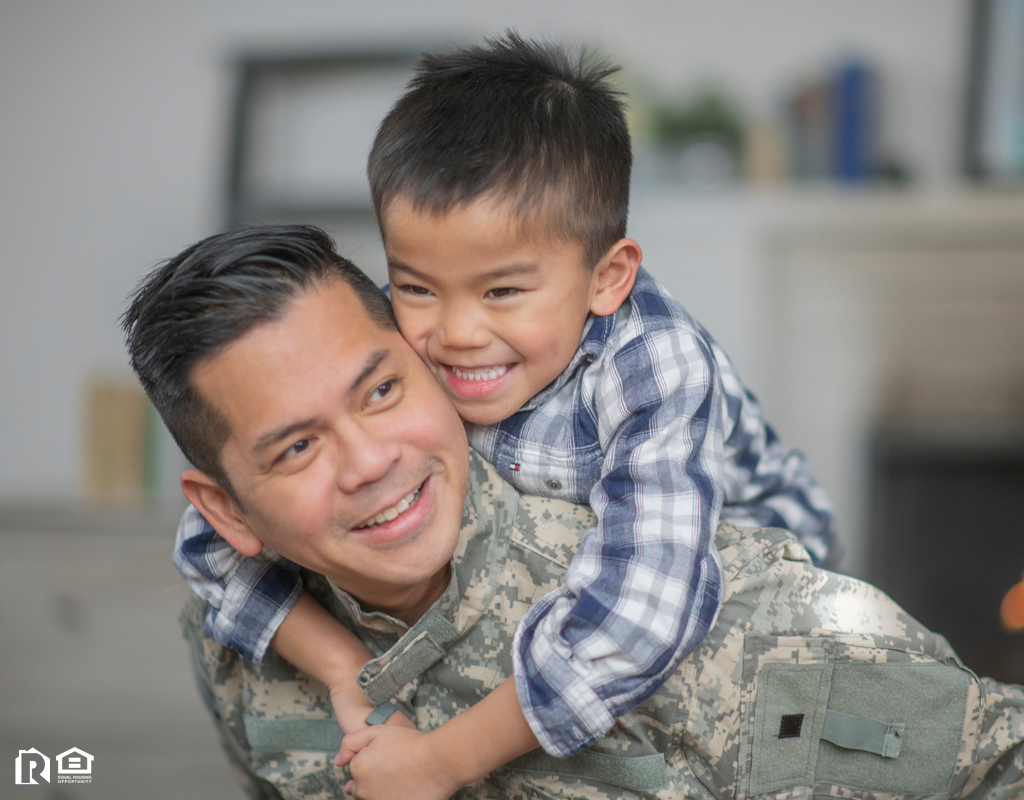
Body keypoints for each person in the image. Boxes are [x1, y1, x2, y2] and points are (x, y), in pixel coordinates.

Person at [122, 225, 1024, 799]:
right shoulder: (234, 649)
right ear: (227, 511)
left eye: (382, 390)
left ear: (430, 360)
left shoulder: (720, 610)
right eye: (297, 448)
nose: (371, 463)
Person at [172, 31, 838, 769]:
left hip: (752, 570)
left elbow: (643, 609)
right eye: (418, 286)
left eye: (504, 292)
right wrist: (343, 668)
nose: (455, 334)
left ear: (606, 278)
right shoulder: (397, 334)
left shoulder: (655, 364)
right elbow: (213, 539)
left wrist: (443, 760)